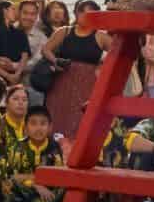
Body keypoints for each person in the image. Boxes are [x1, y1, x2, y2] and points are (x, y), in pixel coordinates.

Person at [41, 8, 110, 139]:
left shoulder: (100, 36)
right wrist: (55, 60)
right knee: (57, 116)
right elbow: (45, 49)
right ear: (76, 14)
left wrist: (102, 66)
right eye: (82, 12)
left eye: (90, 13)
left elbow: (117, 53)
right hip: (62, 82)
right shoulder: (64, 31)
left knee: (81, 118)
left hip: (87, 85)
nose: (85, 16)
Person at [3, 104, 65, 202]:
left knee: (66, 186)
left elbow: (58, 175)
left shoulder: (54, 147)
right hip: (26, 188)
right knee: (9, 185)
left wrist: (42, 184)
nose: (38, 128)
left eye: (43, 123)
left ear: (50, 127)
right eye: (33, 123)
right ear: (26, 128)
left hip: (48, 188)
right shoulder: (18, 147)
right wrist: (36, 185)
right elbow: (14, 176)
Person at [0, 0, 31, 88]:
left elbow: (25, 55)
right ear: (4, 10)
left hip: (17, 78)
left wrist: (17, 74)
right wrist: (8, 76)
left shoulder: (20, 33)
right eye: (13, 9)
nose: (15, 13)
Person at [2, 83, 29, 148]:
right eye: (15, 99)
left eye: (24, 100)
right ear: (6, 103)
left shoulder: (31, 125)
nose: (20, 102)